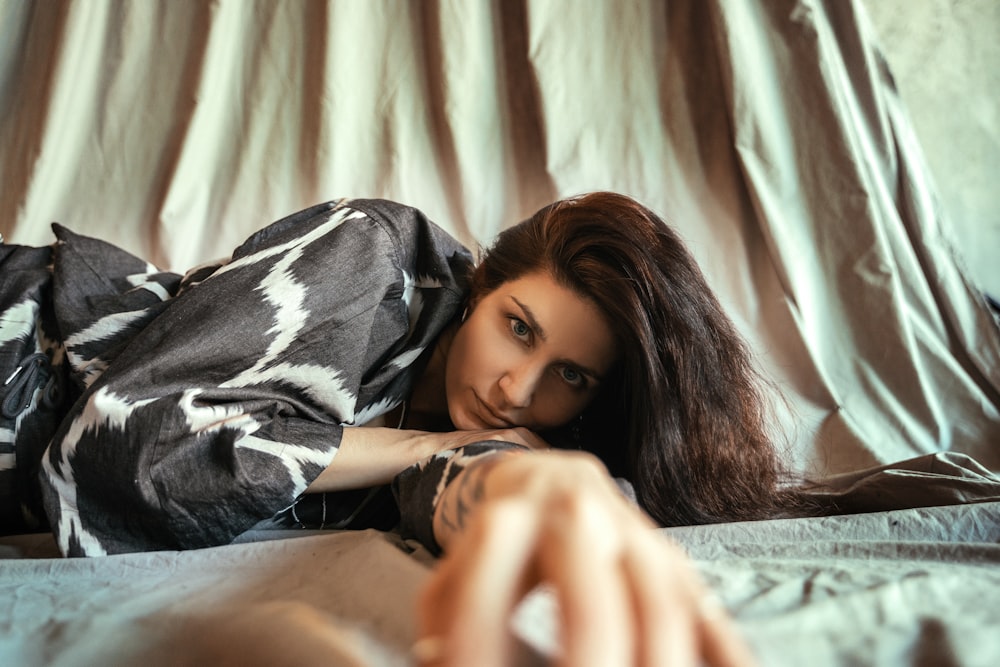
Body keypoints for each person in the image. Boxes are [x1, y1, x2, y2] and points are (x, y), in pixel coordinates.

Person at [0, 192, 791, 664]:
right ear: (484, 286)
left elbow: (472, 481)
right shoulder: (370, 260)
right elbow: (121, 447)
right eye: (518, 326)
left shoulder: (479, 428)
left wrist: (517, 480)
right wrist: (426, 446)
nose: (517, 388)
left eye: (570, 375)